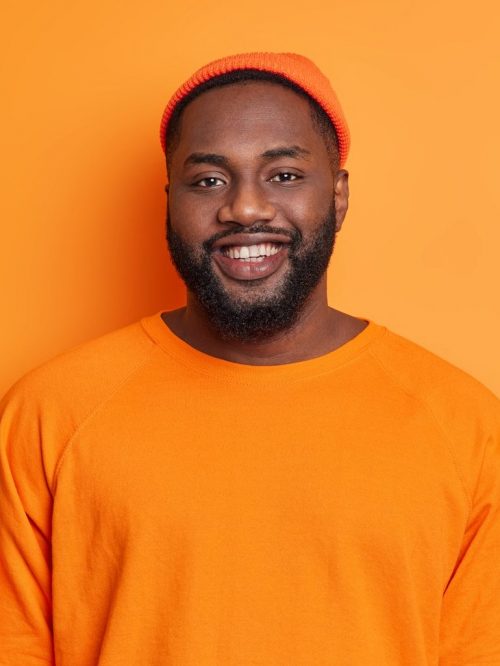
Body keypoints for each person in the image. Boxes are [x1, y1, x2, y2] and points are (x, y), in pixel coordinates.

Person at [0, 52, 499, 665]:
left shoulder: (466, 425)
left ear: (339, 196)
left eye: (284, 175)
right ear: (169, 201)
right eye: (208, 180)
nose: (245, 208)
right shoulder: (49, 412)